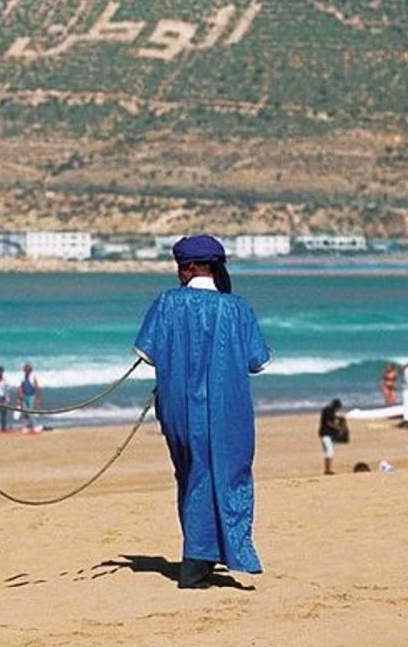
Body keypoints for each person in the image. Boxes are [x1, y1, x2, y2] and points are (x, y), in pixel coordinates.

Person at [135, 234, 269, 588]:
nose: (178, 274)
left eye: (180, 268)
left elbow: (145, 353)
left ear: (191, 267)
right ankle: (209, 557)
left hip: (180, 410)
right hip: (230, 409)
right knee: (229, 475)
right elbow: (258, 361)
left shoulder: (167, 303)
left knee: (193, 474)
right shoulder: (238, 308)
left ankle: (200, 559)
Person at [319, 399, 349, 475]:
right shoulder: (328, 411)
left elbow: (331, 418)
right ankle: (328, 470)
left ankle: (327, 469)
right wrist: (339, 428)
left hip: (324, 433)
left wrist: (338, 418)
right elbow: (329, 423)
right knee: (330, 451)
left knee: (327, 451)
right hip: (325, 434)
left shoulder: (328, 410)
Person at [18, 362, 42, 433]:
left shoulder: (33, 377)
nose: (26, 370)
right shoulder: (22, 378)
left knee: (30, 411)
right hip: (24, 396)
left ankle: (35, 426)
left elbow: (37, 387)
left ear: (30, 370)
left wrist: (38, 398)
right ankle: (26, 426)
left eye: (28, 369)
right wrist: (19, 397)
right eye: (25, 369)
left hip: (31, 396)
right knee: (25, 411)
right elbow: (20, 388)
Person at [0, 365, 12, 433]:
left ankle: (4, 428)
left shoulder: (5, 381)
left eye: (1, 372)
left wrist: (8, 399)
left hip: (4, 398)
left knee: (4, 414)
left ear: (2, 372)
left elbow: (8, 391)